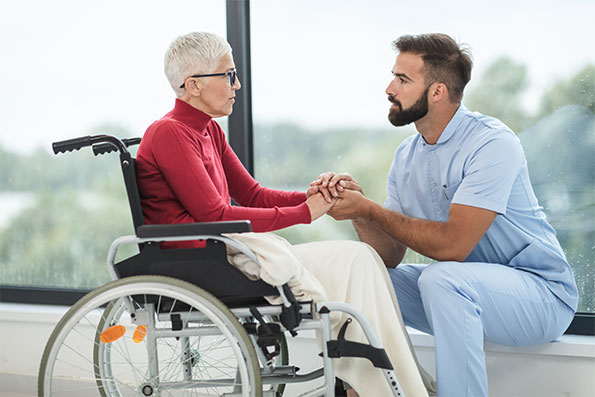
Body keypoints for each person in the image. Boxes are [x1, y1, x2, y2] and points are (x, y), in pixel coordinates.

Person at [135, 31, 431, 397]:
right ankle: (381, 387)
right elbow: (215, 213)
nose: (236, 84)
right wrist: (306, 213)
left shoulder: (208, 130)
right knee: (354, 261)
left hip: (227, 251)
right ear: (193, 85)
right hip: (207, 260)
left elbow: (253, 194)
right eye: (228, 75)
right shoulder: (169, 132)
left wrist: (316, 194)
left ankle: (376, 383)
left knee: (362, 257)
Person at [317, 33, 578, 397]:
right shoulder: (407, 155)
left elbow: (454, 246)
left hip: (540, 295)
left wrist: (371, 209)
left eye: (403, 80)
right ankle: (388, 389)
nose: (389, 88)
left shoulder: (492, 143)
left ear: (437, 91)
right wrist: (359, 212)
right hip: (463, 291)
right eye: (393, 76)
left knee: (442, 277)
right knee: (366, 276)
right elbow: (389, 257)